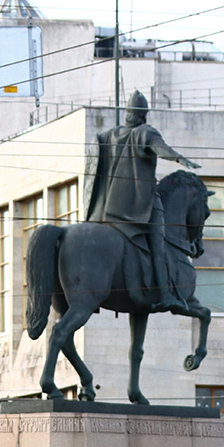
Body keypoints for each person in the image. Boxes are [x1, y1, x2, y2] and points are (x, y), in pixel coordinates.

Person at [86, 90, 201, 313]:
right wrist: (178, 157)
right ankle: (166, 295)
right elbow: (159, 147)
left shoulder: (112, 134)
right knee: (158, 245)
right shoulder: (145, 133)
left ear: (128, 113)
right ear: (144, 114)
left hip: (110, 210)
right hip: (142, 207)